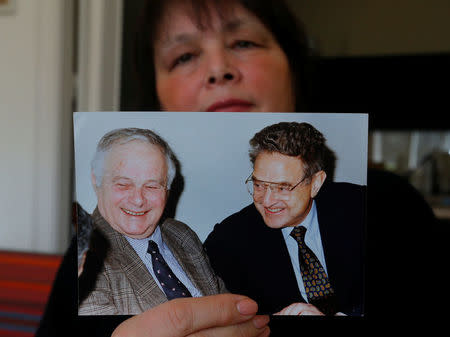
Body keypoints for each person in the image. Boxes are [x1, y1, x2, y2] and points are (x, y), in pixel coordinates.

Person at [36, 0, 443, 335]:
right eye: (184, 56)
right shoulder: (222, 241)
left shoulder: (388, 210)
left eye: (245, 41)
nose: (218, 69)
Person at [204, 121, 365, 316]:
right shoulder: (228, 241)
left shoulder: (358, 207)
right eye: (259, 185)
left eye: (283, 188)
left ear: (315, 183)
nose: (267, 201)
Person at [78, 127, 227, 315]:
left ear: (168, 188)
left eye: (152, 185)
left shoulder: (181, 234)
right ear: (96, 180)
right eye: (123, 184)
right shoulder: (83, 256)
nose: (138, 200)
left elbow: (227, 308)